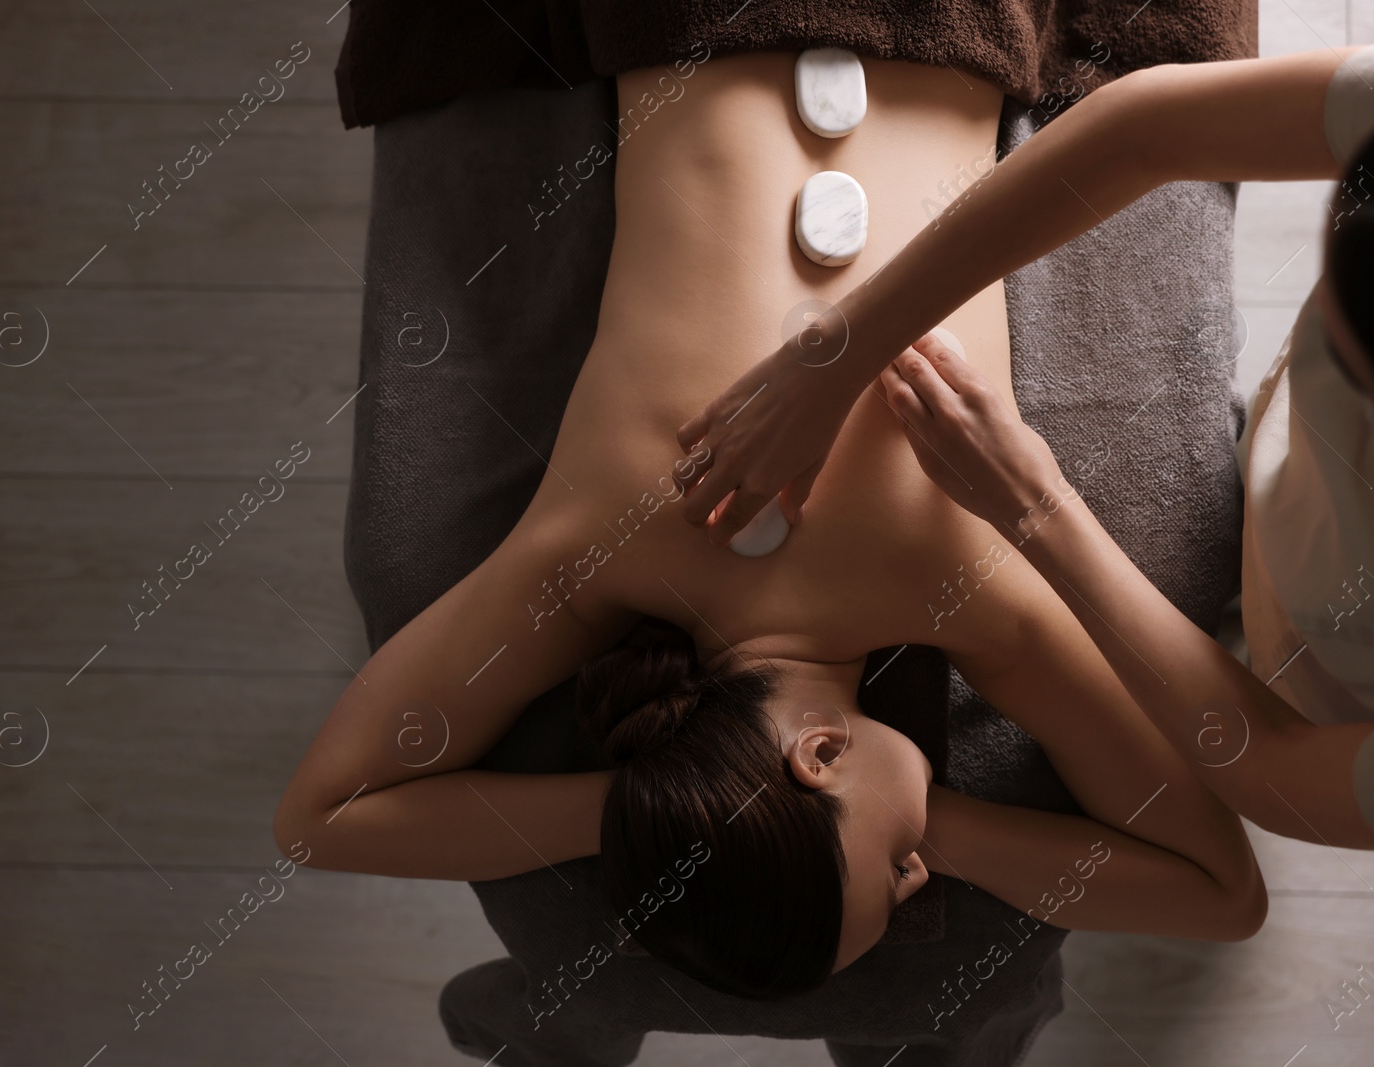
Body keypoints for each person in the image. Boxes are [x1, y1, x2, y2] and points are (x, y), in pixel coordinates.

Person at [274, 49, 1267, 1001]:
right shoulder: (594, 557)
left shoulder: (967, 586)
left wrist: (936, 826)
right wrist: (654, 819)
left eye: (893, 872)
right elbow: (322, 818)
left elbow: (1218, 893)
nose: (925, 873)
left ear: (821, 755)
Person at [678, 43, 1374, 857]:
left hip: (1348, 664)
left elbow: (1273, 770)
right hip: (1306, 525)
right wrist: (843, 348)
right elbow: (1143, 132)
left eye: (1355, 372)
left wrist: (1037, 504)